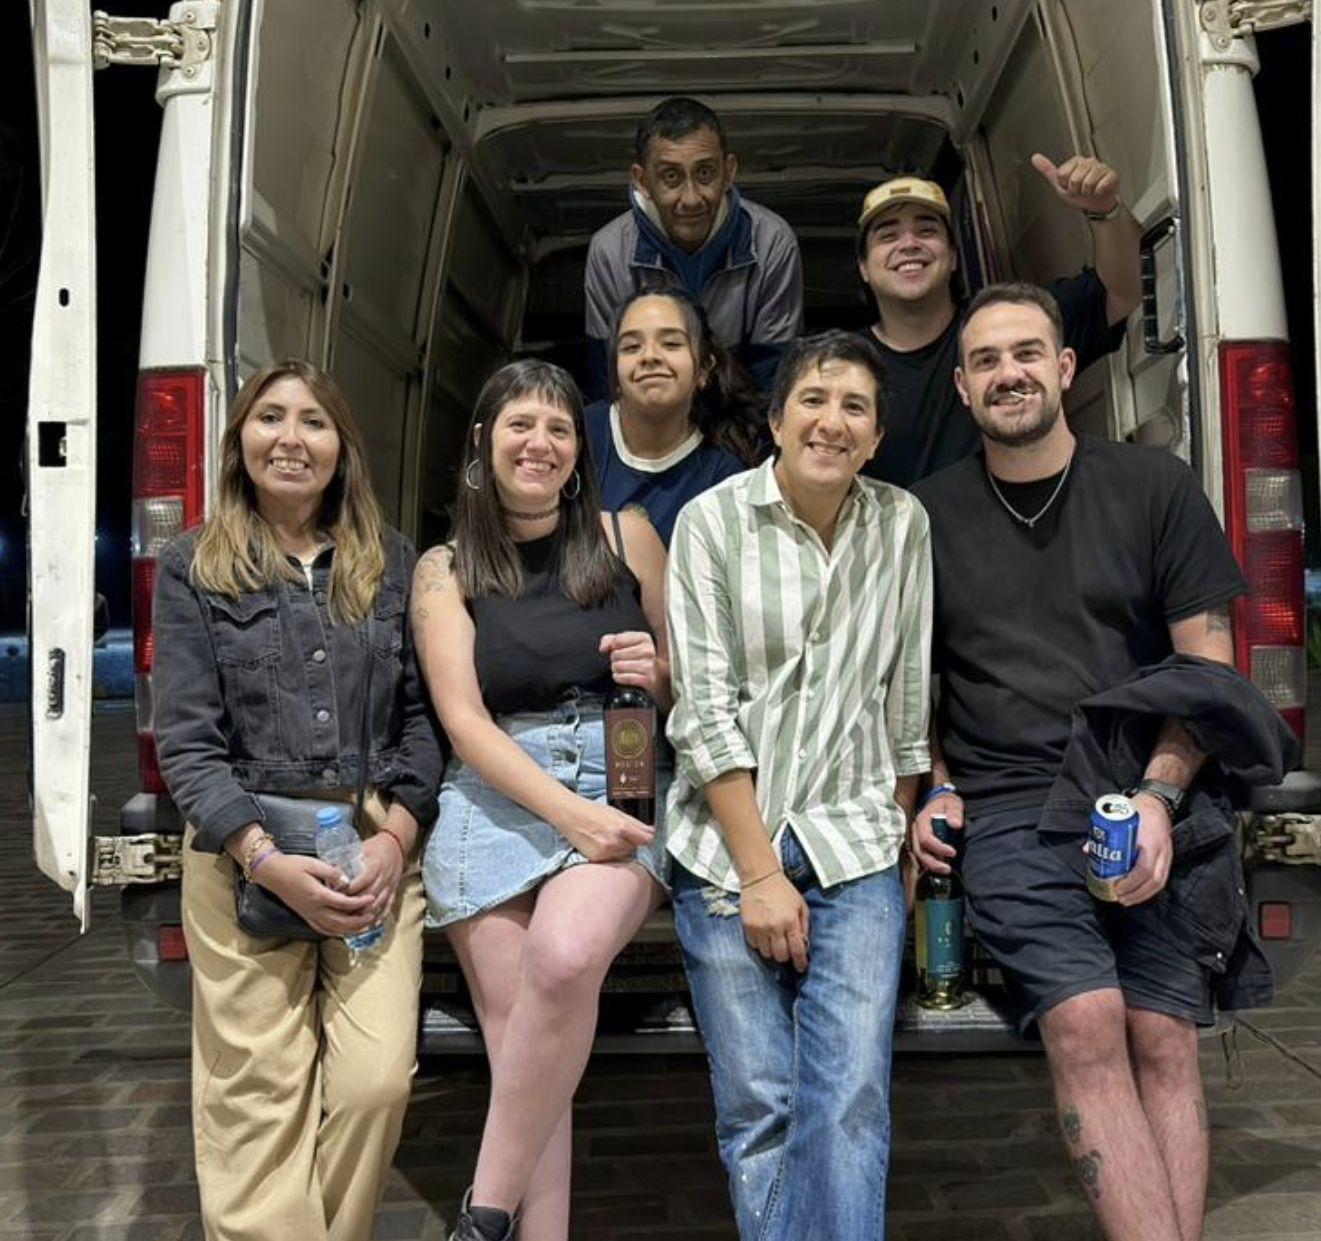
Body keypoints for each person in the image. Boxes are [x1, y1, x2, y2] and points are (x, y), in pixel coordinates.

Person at [910, 283, 1290, 1241]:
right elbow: (911, 685)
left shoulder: (1153, 487)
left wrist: (1160, 797)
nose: (1009, 374)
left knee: (1162, 1034)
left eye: (1026, 353)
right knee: (1084, 1022)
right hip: (1010, 806)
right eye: (986, 360)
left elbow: (1208, 669)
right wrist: (937, 783)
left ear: (1065, 367)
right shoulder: (925, 517)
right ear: (961, 387)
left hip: (1150, 790)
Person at [153, 359, 442, 1241]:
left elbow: (425, 720)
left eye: (313, 421)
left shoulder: (392, 561)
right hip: (243, 850)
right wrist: (266, 861)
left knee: (374, 1082)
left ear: (341, 447)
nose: (290, 438)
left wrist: (394, 838)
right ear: (239, 439)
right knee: (257, 1094)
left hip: (370, 846)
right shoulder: (192, 565)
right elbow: (187, 740)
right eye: (269, 417)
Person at [664, 331, 932, 1241]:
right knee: (760, 1102)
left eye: (855, 406)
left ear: (876, 436)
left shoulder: (901, 523)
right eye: (813, 400)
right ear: (776, 421)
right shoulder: (710, 522)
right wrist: (759, 874)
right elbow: (702, 712)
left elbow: (907, 700)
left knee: (848, 1094)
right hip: (723, 848)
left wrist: (897, 836)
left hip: (854, 839)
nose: (832, 421)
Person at [412, 360, 672, 1241]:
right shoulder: (445, 568)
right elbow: (462, 719)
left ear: (578, 449)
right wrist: (568, 815)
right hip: (496, 791)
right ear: (482, 441)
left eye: (559, 428)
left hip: (619, 775)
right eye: (520, 424)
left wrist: (657, 674)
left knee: (560, 963)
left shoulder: (628, 535)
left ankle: (481, 1215)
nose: (540, 443)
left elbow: (685, 684)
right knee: (526, 1044)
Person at [857, 154, 1141, 486]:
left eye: (926, 230)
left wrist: (1104, 210)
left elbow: (1124, 291)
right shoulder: (844, 366)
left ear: (953, 257)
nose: (909, 244)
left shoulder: (1015, 325)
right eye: (888, 236)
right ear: (863, 267)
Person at [584, 95, 803, 400]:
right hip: (648, 418)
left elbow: (774, 381)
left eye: (705, 173)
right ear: (642, 181)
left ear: (728, 172)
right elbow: (609, 382)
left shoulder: (771, 242)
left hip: (740, 416)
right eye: (670, 176)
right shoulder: (610, 251)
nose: (691, 199)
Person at [585, 287, 763, 545]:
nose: (649, 356)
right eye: (632, 347)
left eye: (671, 344)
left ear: (704, 369)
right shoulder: (577, 435)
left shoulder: (724, 477)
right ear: (615, 373)